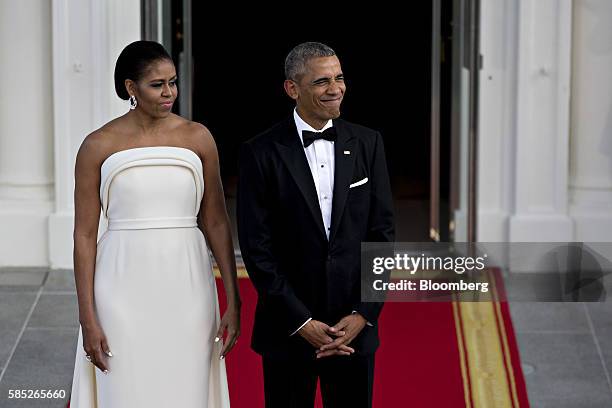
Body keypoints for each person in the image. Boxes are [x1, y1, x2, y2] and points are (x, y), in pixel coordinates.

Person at [69, 40, 239, 407]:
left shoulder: (198, 137)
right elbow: (84, 234)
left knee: (186, 386)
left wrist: (233, 299)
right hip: (120, 285)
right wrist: (87, 316)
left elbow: (216, 221)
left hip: (188, 284)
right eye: (157, 84)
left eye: (173, 82)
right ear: (131, 88)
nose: (169, 93)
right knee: (127, 387)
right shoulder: (97, 145)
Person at [237, 42, 395, 407]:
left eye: (339, 78)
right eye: (322, 81)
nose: (335, 89)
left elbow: (381, 237)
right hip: (288, 331)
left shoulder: (368, 143)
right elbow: (257, 249)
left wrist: (362, 313)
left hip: (353, 330)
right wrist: (301, 322)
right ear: (293, 89)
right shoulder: (259, 152)